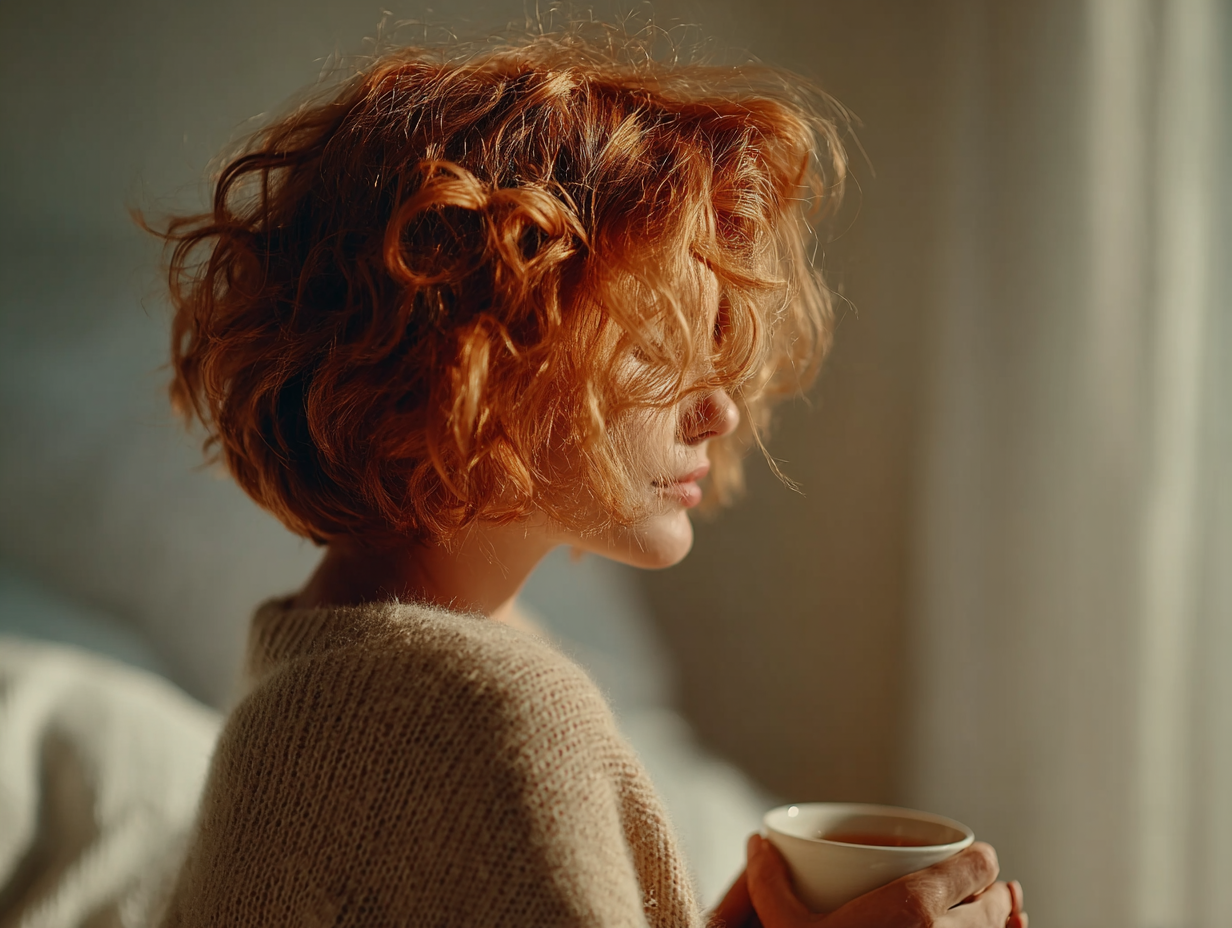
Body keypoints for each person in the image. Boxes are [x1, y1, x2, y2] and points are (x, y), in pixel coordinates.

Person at [151, 22, 1027, 928]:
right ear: (475, 362)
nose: (719, 412)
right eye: (656, 349)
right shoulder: (489, 712)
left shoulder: (314, 659)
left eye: (715, 354)